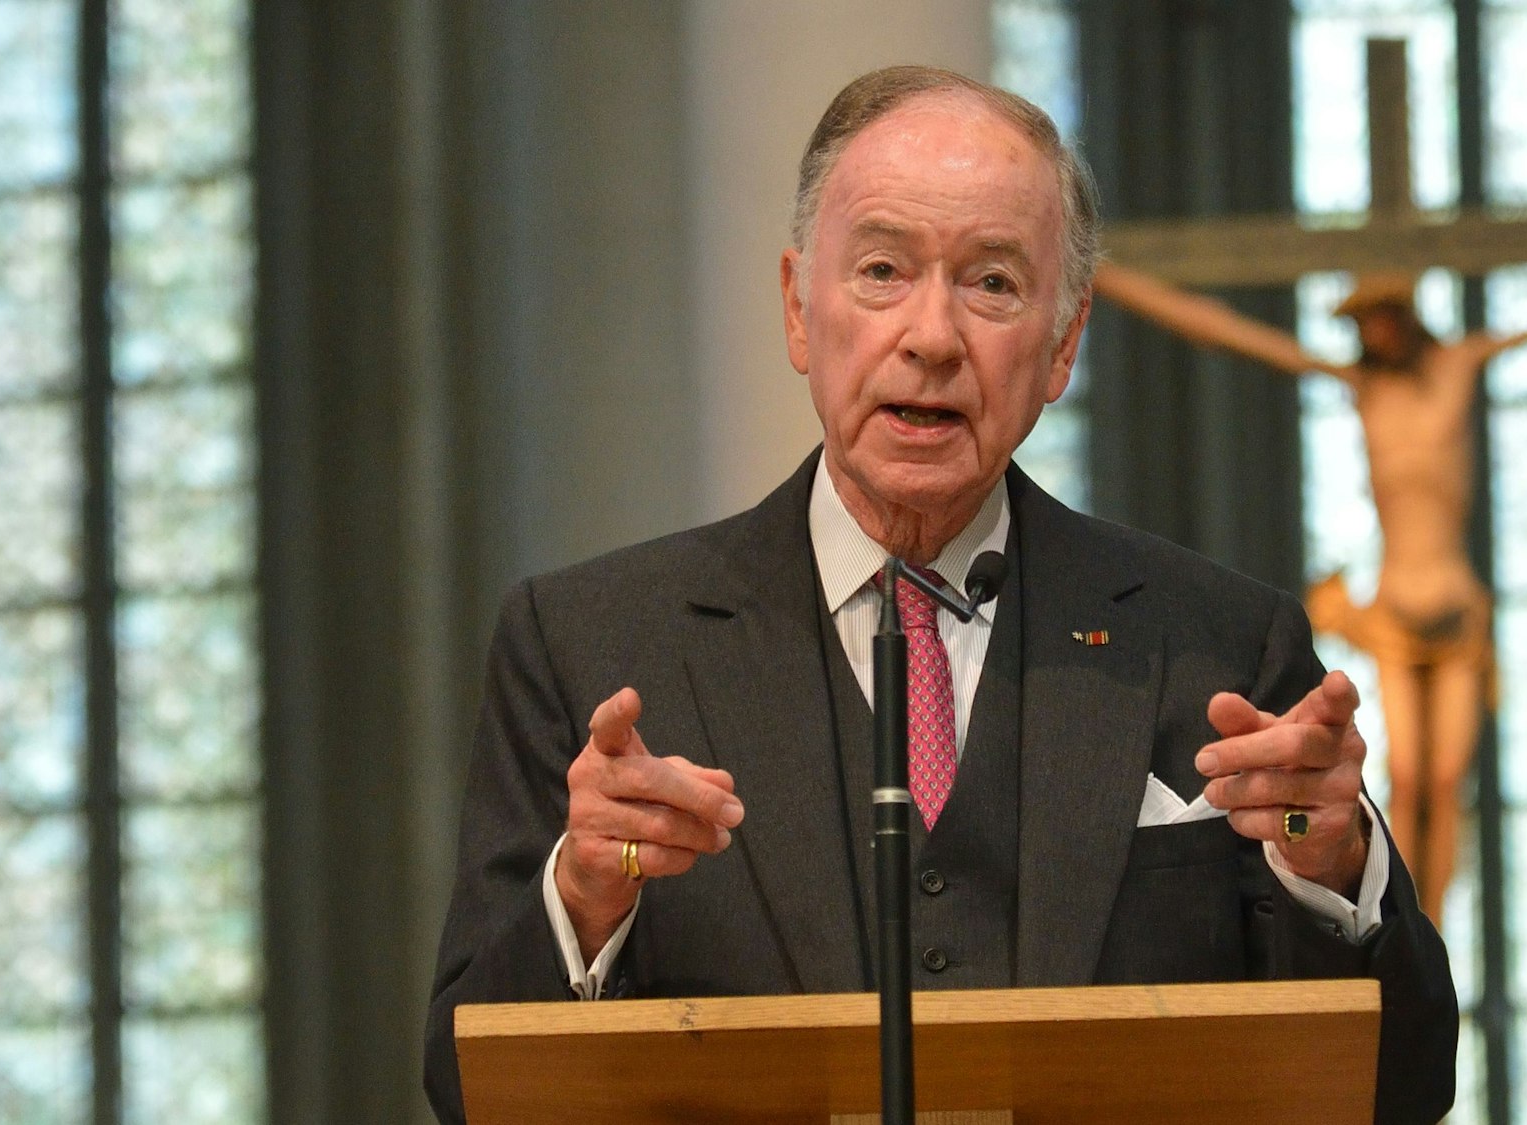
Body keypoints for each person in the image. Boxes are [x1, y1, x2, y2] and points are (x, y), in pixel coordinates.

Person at [424, 65, 1457, 1123]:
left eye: (993, 285)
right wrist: (587, 901)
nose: (929, 335)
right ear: (796, 308)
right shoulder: (589, 644)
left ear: (1062, 344)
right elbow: (467, 1088)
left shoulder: (1219, 646)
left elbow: (1402, 1090)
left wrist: (1328, 869)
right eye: (881, 270)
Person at [1092, 206, 1527, 924]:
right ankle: (1404, 919)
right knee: (1407, 782)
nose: (1371, 333)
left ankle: (1435, 926)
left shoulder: (1457, 367)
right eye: (1362, 324)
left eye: (1380, 318)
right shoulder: (1362, 387)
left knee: (1447, 783)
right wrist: (1099, 277)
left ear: (1405, 315)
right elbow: (1224, 332)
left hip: (1454, 608)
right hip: (1393, 610)